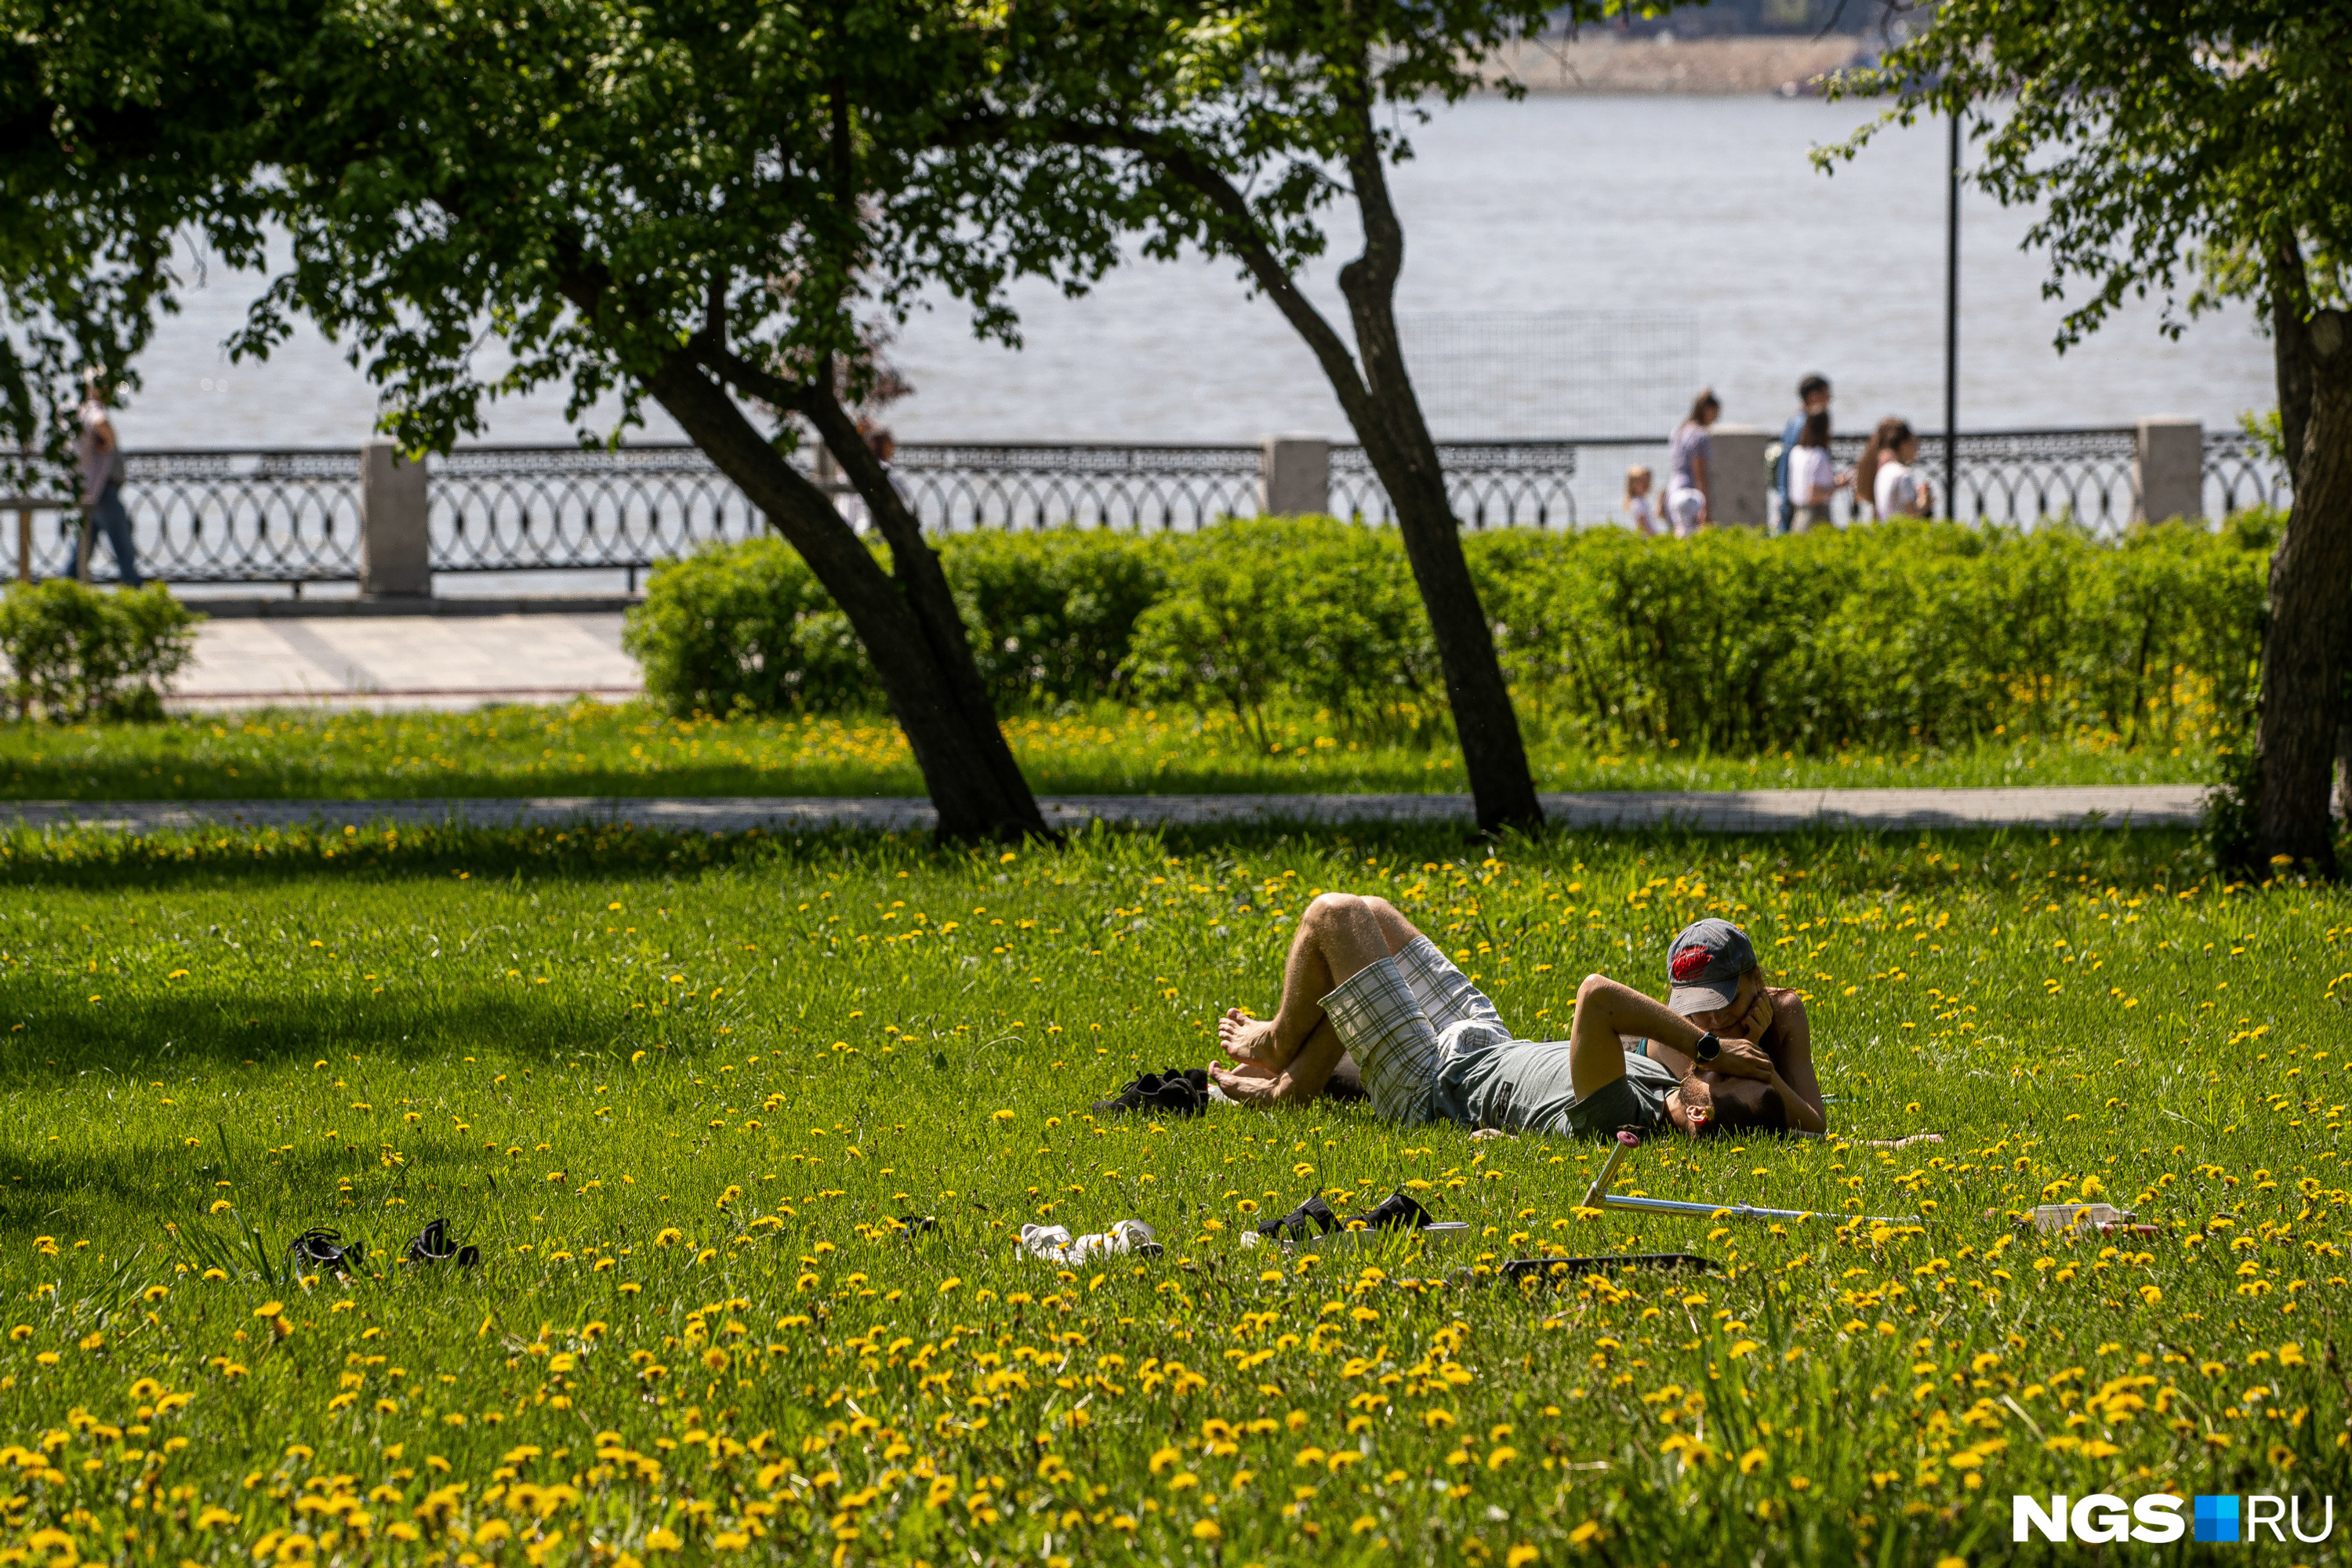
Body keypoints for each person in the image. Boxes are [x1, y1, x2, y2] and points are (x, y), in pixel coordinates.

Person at [1209, 896, 1825, 1138]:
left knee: (1335, 916)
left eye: (1722, 1065)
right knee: (1376, 913)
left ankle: (1277, 1040)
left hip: (1433, 1082)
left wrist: (1734, 1061)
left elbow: (1597, 996)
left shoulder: (1622, 1118)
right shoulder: (1683, 1072)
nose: (1713, 1035)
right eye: (1701, 1017)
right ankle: (1292, 1085)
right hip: (1487, 1040)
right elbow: (1794, 1133)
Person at [68, 376, 140, 587]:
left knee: (82, 550)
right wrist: (110, 442)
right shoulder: (92, 409)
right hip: (102, 491)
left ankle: (65, 593)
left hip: (90, 489)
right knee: (124, 548)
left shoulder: (77, 411)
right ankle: (136, 597)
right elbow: (101, 422)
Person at [1774, 374, 1831, 534]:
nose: (1829, 399)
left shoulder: (1794, 421)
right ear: (1813, 396)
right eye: (1826, 394)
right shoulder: (1805, 424)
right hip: (1803, 500)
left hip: (1792, 495)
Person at [1664, 390, 1718, 539]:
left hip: (1673, 489)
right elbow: (1699, 473)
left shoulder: (1679, 430)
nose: (1715, 419)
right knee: (1693, 542)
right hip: (1689, 494)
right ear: (1707, 410)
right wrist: (1706, 507)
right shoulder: (1699, 435)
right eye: (1715, 414)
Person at [1783, 411, 1841, 532]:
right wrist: (1838, 485)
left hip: (1798, 516)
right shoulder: (1819, 455)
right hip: (1816, 516)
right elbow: (1814, 495)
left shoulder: (1796, 452)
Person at [1869, 420, 1933, 519]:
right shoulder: (1903, 475)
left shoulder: (1884, 470)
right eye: (1915, 443)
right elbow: (1913, 517)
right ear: (1904, 445)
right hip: (1899, 531)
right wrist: (1924, 498)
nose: (1917, 449)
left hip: (1885, 528)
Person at [1624, 464, 1659, 537]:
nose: (1646, 485)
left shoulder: (1640, 500)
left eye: (1647, 481)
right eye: (1641, 482)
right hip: (1644, 538)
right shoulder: (1638, 503)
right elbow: (1642, 525)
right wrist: (1654, 536)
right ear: (1632, 485)